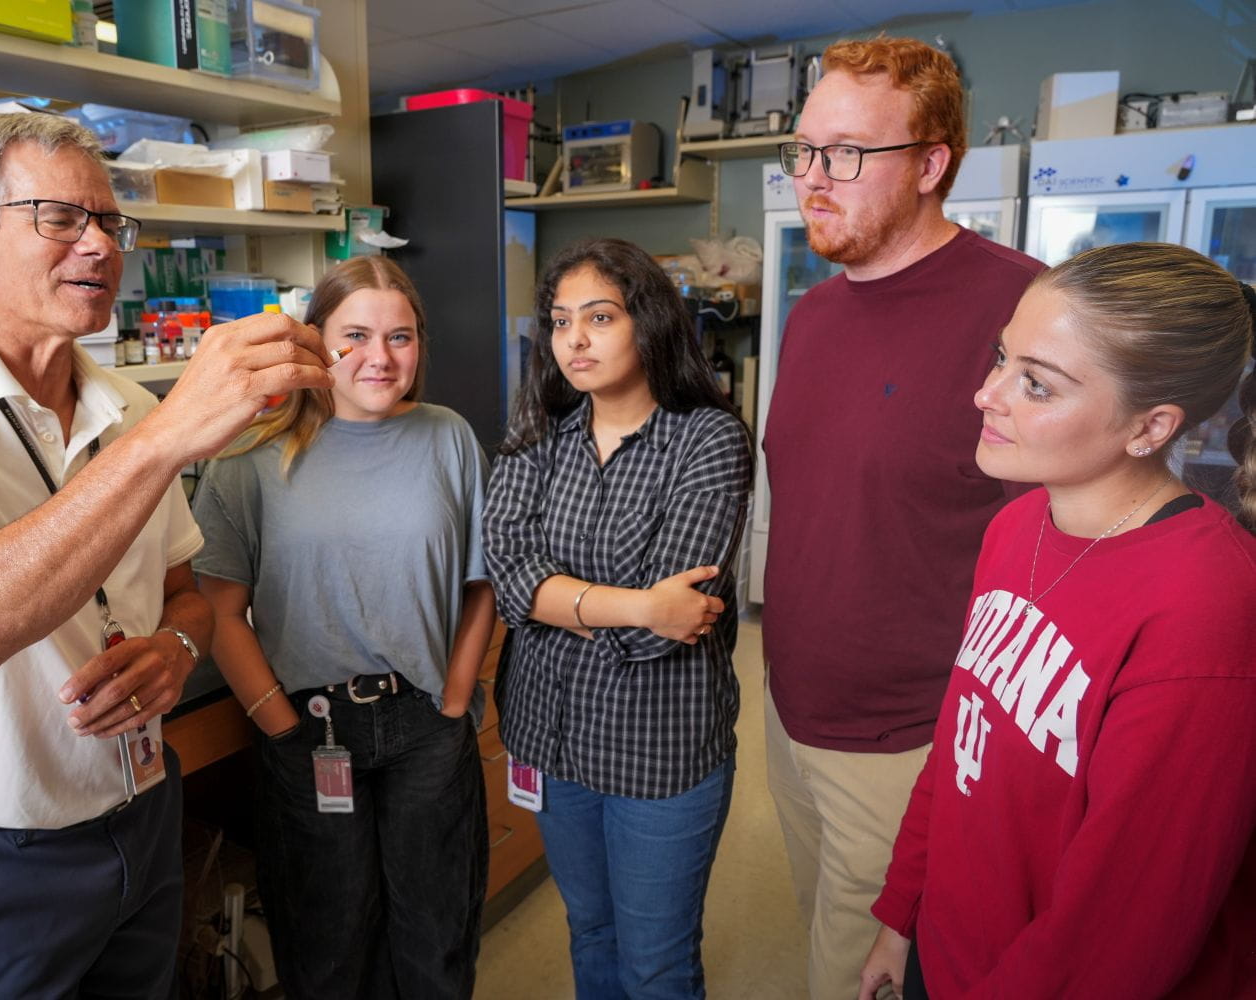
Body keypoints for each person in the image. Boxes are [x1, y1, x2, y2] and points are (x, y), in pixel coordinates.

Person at [0, 113, 332, 998]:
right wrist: (167, 435)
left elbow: (183, 595)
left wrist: (178, 649)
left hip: (138, 812)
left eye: (111, 223)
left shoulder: (123, 402)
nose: (100, 245)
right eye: (61, 218)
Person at [859, 243, 1256, 999]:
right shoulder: (1018, 526)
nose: (986, 394)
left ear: (1150, 427)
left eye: (1036, 385)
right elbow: (959, 745)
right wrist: (901, 914)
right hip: (949, 955)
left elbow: (1122, 933)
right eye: (1001, 358)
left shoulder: (1206, 610)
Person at [759, 36, 1045, 999]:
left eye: (845, 154)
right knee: (820, 938)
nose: (812, 179)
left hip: (911, 741)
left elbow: (1056, 555)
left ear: (932, 165)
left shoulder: (1024, 309)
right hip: (792, 716)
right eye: (804, 151)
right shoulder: (813, 314)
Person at [191, 256, 494, 1000]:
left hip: (427, 726)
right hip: (311, 729)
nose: (380, 358)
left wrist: (456, 699)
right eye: (355, 334)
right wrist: (281, 727)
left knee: (438, 946)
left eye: (401, 337)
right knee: (326, 952)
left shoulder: (447, 438)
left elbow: (482, 583)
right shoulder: (249, 456)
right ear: (315, 340)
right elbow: (219, 611)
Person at [483, 237, 752, 999]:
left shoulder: (707, 439)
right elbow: (508, 576)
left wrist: (560, 601)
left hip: (659, 751)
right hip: (553, 736)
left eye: (599, 318)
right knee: (589, 930)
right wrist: (639, 602)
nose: (574, 339)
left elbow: (668, 627)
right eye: (562, 321)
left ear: (649, 323)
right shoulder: (540, 436)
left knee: (656, 961)